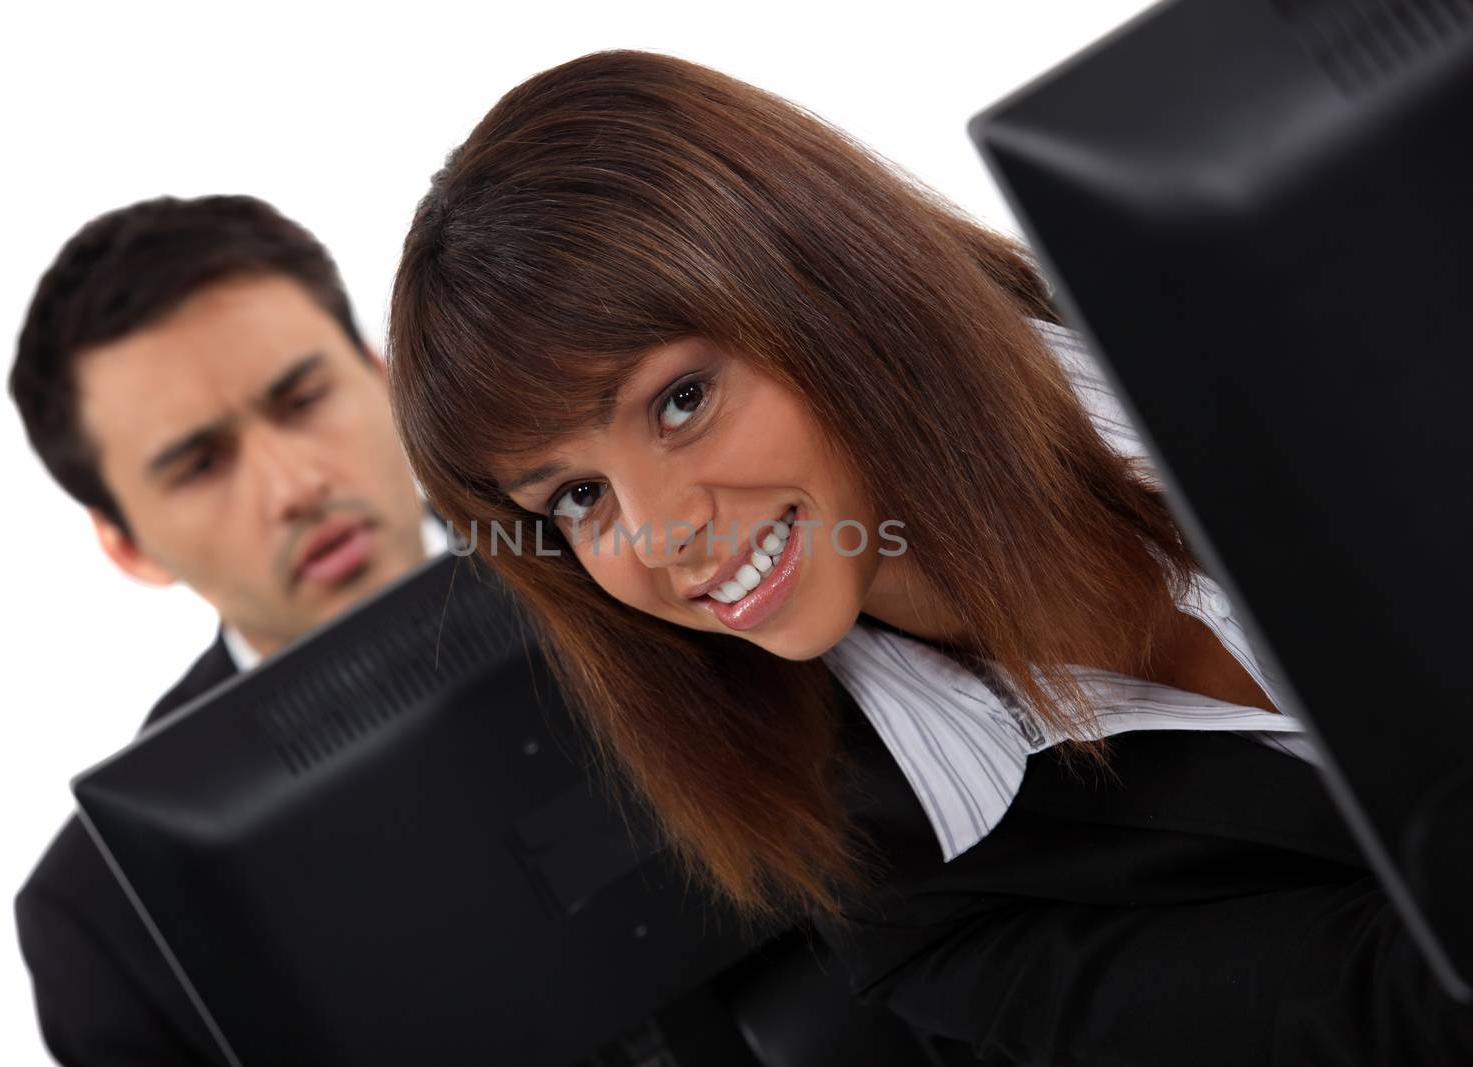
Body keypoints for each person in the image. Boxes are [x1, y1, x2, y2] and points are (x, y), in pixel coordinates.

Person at [383, 50, 1473, 1065]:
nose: (662, 532)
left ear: (822, 286)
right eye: (577, 496)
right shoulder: (902, 876)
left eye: (680, 399)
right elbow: (1397, 1013)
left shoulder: (1262, 313)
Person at [8, 195, 433, 1066]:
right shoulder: (104, 912)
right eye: (201, 463)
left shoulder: (678, 578)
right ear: (127, 544)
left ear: (383, 373)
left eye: (303, 398)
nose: (294, 486)